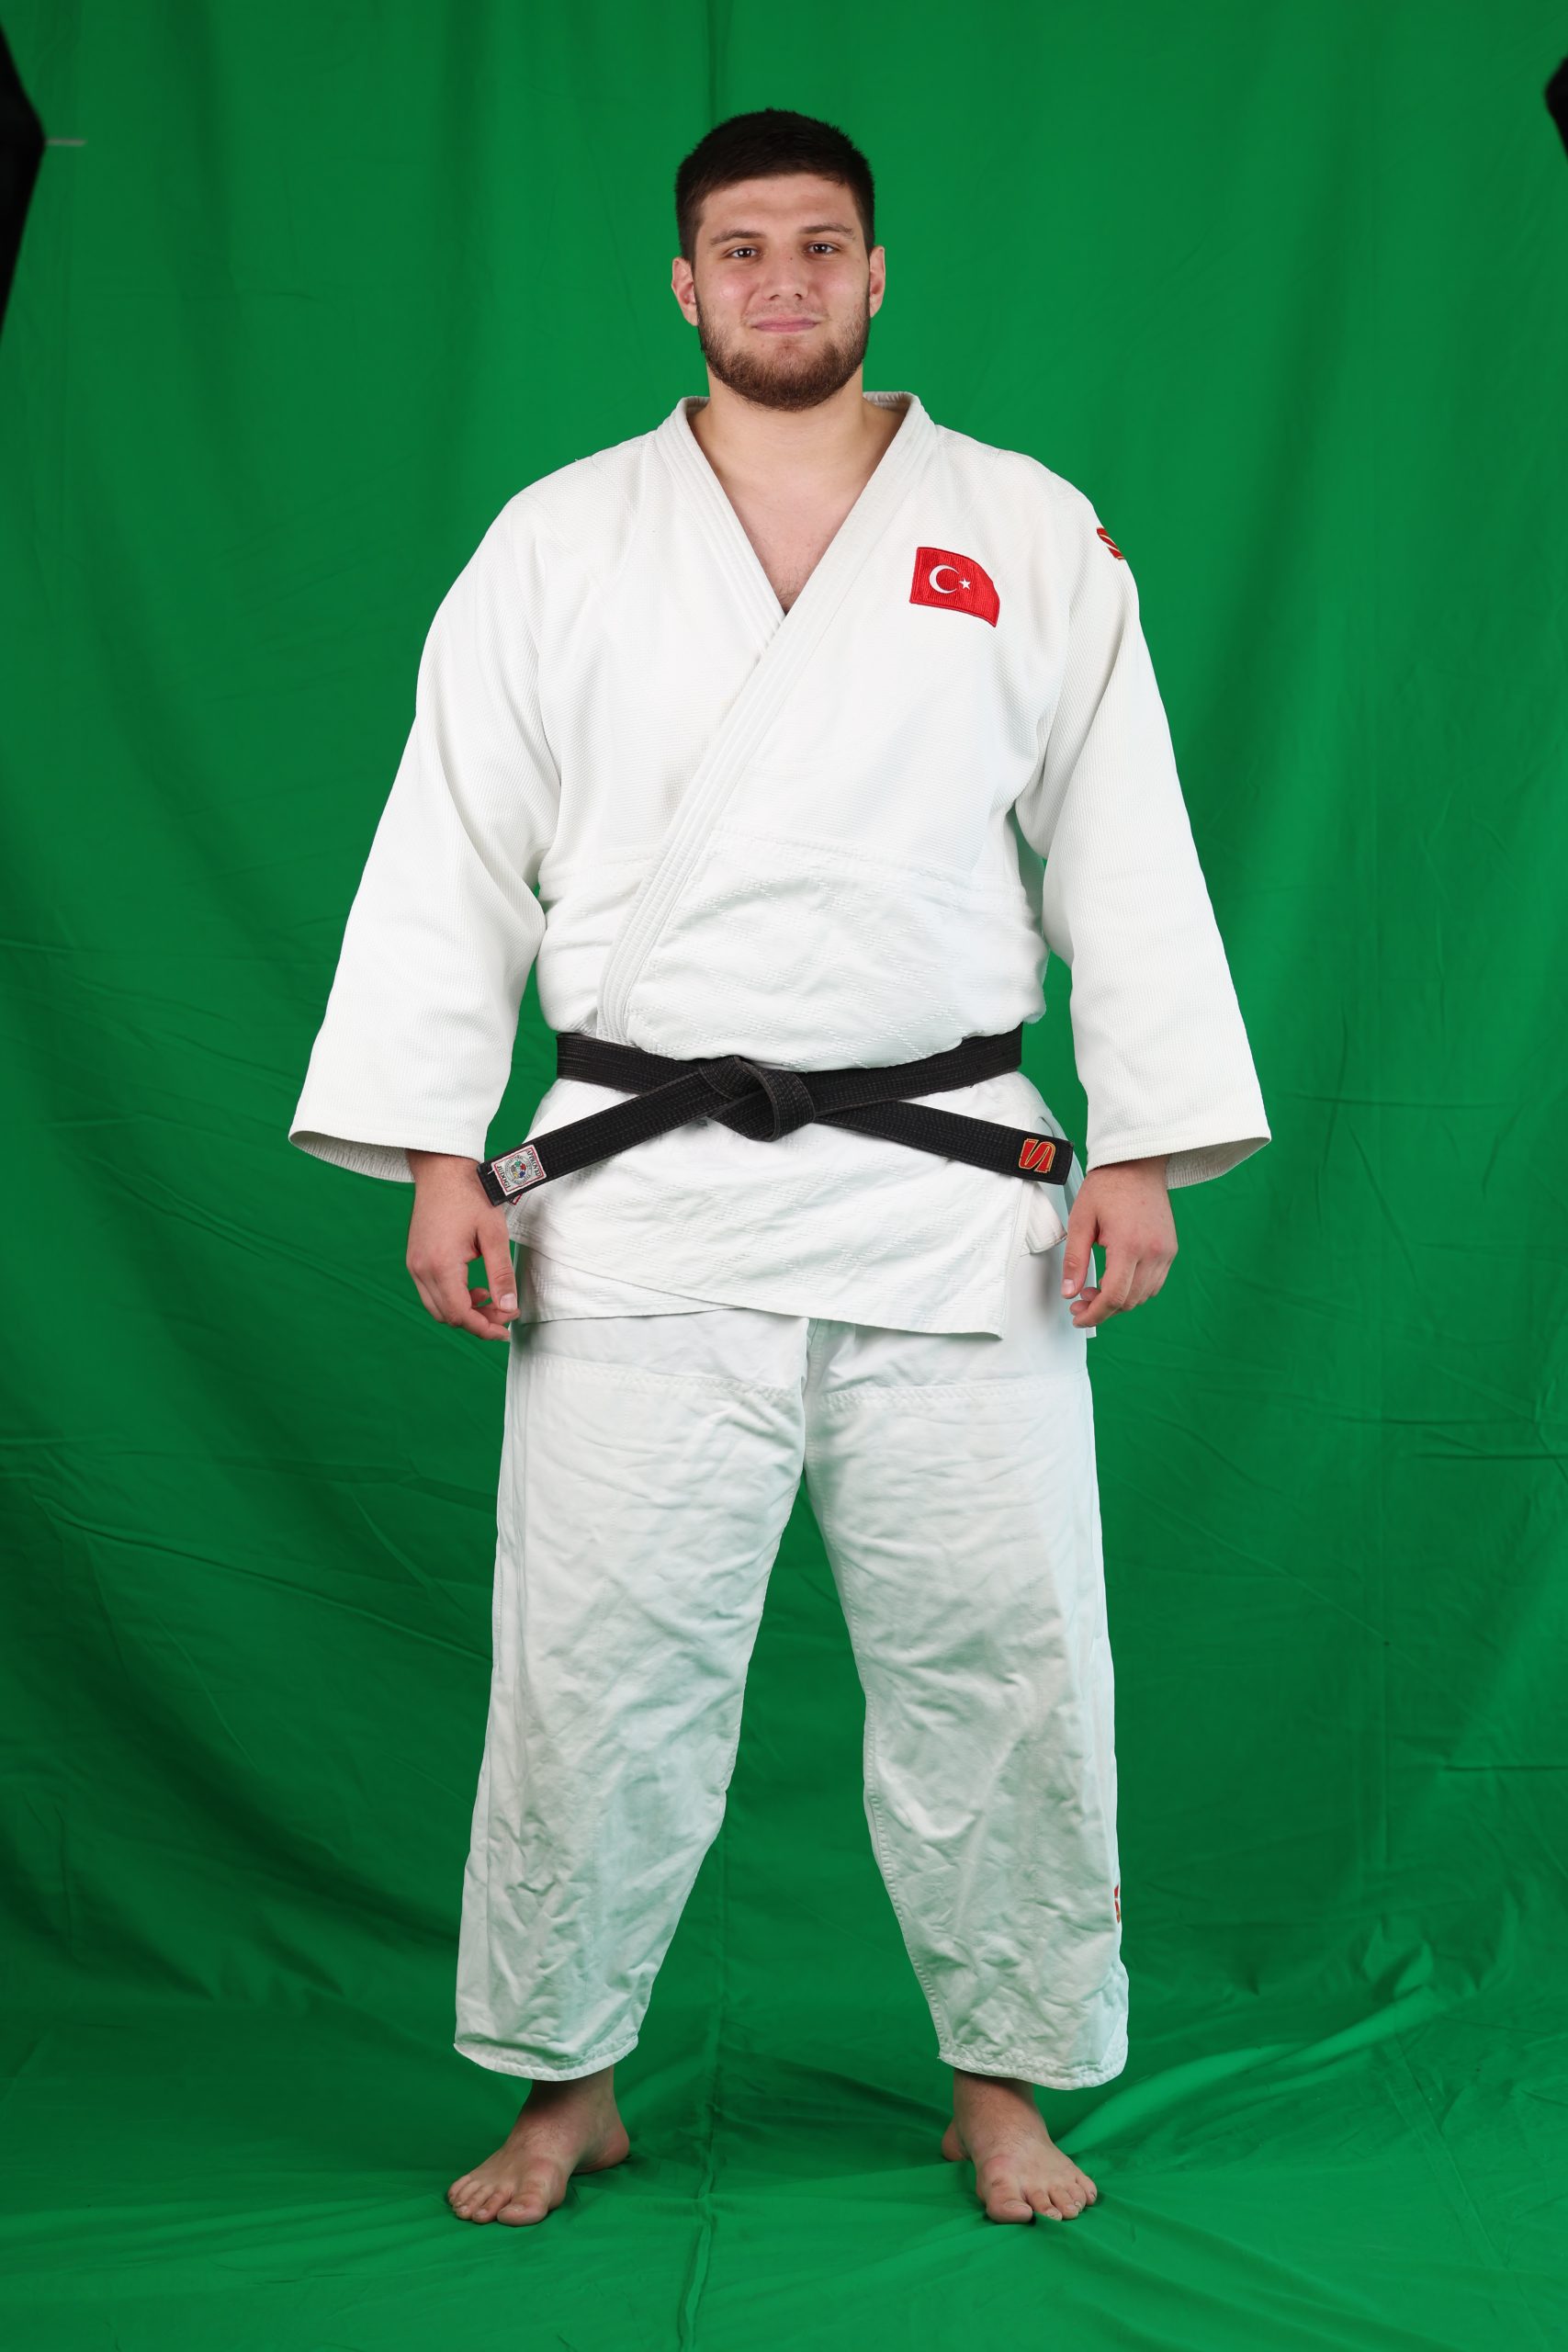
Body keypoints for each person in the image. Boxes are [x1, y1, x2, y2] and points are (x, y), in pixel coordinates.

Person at [288, 107, 1270, 2230]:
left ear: (876, 271)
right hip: (633, 1190)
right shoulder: (557, 538)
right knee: (595, 1670)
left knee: (1001, 1659)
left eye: (820, 245)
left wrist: (1141, 1147)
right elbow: (450, 849)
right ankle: (565, 2081)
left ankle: (1000, 2083)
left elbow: (1121, 840)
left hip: (951, 1184)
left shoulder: (1021, 526)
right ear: (683, 283)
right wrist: (439, 1153)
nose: (782, 281)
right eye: (740, 249)